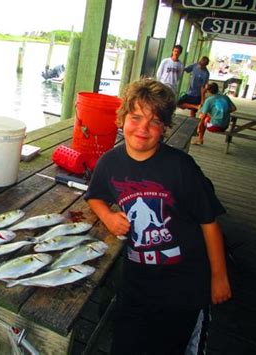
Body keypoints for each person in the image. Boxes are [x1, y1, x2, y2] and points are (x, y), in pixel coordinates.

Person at [85, 78, 231, 355]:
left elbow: (209, 222)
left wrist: (219, 276)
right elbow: (94, 195)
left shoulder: (182, 167)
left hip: (184, 286)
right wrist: (108, 216)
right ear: (122, 119)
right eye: (136, 117)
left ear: (164, 128)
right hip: (136, 283)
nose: (143, 128)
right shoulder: (109, 163)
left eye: (154, 122)